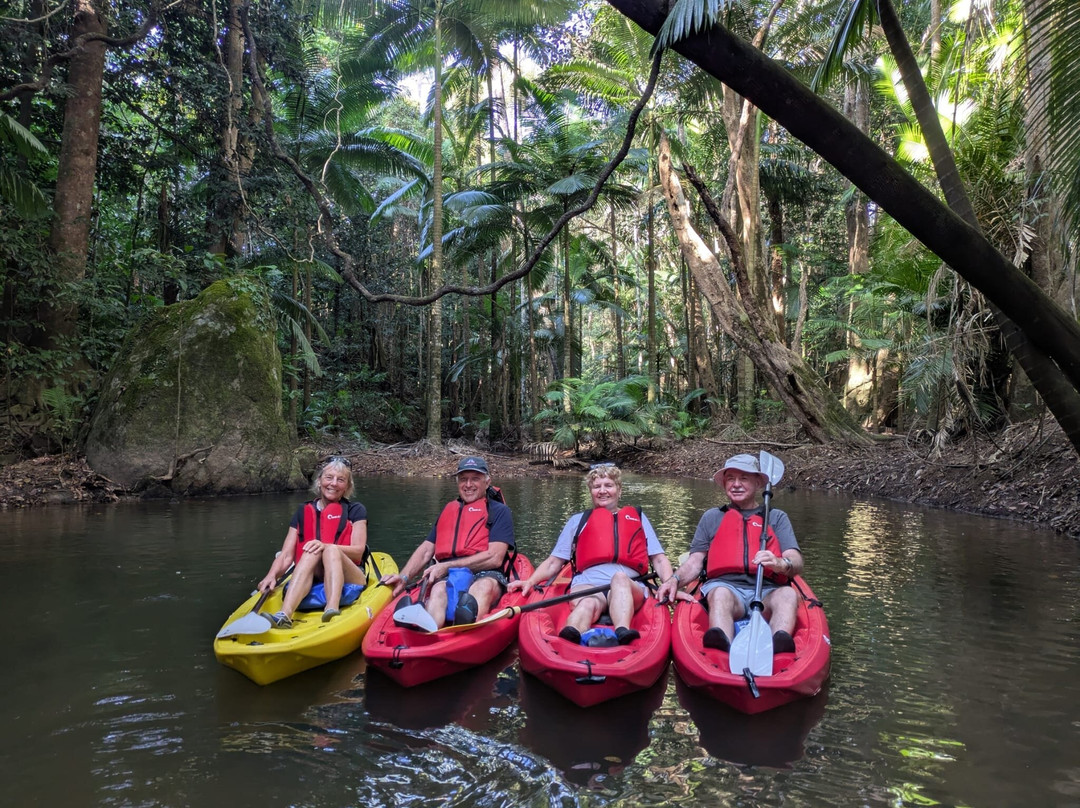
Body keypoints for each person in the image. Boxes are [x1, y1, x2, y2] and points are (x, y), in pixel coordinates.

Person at [509, 463, 674, 645]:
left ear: (619, 491)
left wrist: (669, 584)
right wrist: (530, 582)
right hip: (587, 586)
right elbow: (554, 562)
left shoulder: (638, 517)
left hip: (629, 586)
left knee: (619, 579)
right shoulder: (577, 521)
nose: (602, 491)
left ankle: (622, 632)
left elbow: (658, 559)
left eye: (608, 485)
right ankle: (568, 639)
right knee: (587, 604)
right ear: (591, 491)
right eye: (597, 486)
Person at [657, 453, 803, 653]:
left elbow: (795, 560)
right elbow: (695, 561)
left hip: (768, 590)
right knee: (720, 594)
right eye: (730, 479)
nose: (736, 484)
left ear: (758, 482)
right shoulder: (712, 517)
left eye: (743, 478)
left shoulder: (776, 517)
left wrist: (779, 563)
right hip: (726, 588)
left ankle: (775, 648)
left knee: (787, 594)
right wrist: (673, 579)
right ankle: (722, 648)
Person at [380, 456, 514, 629]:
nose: (468, 485)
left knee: (482, 588)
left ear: (487, 482)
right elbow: (427, 549)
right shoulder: (449, 510)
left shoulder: (499, 511)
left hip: (486, 572)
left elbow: (495, 558)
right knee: (437, 591)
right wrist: (404, 577)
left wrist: (445, 567)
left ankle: (466, 628)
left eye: (475, 479)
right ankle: (429, 631)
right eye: (463, 479)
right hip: (448, 574)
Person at [257, 456, 370, 628]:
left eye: (341, 480)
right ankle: (285, 615)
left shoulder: (356, 510)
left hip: (351, 574)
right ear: (319, 481)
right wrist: (271, 576)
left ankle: (331, 609)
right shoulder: (303, 512)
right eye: (329, 477)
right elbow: (287, 554)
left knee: (330, 550)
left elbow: (358, 551)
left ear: (347, 486)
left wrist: (326, 546)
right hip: (315, 572)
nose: (333, 483)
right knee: (311, 551)